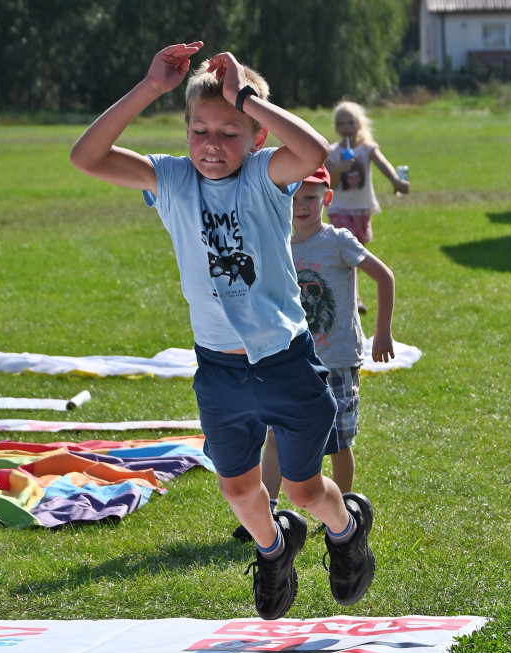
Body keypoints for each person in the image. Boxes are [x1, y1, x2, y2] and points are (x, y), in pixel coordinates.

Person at [70, 42, 376, 620]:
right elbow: (87, 156)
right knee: (238, 491)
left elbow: (314, 151)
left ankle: (346, 526)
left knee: (304, 490)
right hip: (220, 369)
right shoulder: (171, 179)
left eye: (230, 131)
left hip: (285, 360)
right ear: (184, 132)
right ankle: (273, 547)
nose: (212, 145)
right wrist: (150, 88)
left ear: (256, 135)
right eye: (200, 131)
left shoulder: (265, 175)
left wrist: (247, 97)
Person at [235, 165, 395, 531]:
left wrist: (382, 332)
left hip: (337, 360)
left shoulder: (338, 241)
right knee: (276, 436)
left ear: (327, 198)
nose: (301, 205)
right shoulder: (278, 244)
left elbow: (384, 276)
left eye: (310, 197)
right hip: (291, 360)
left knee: (337, 441)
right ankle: (267, 512)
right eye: (293, 197)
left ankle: (342, 509)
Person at [325, 100, 409, 314]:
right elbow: (329, 184)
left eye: (350, 122)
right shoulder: (333, 153)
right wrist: (339, 169)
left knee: (357, 254)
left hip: (361, 209)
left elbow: (383, 164)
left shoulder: (367, 148)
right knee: (348, 254)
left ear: (359, 124)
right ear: (336, 128)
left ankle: (349, 294)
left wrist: (395, 181)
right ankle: (354, 298)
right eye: (341, 124)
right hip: (340, 209)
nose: (346, 127)